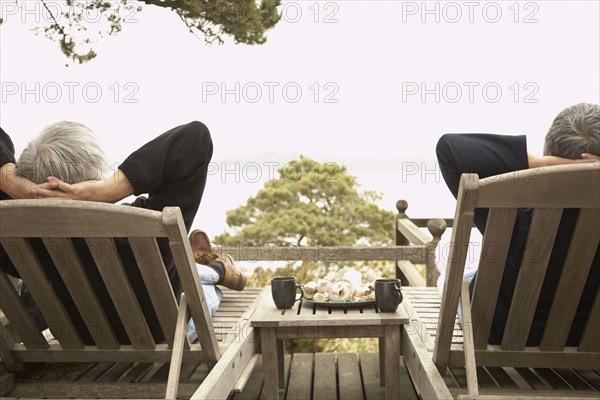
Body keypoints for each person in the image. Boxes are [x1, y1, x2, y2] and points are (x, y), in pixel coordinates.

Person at [0, 121, 247, 344]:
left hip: (85, 341)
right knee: (196, 286)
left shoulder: (18, 241)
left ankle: (205, 265)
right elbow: (195, 138)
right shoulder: (141, 227)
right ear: (92, 178)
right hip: (164, 338)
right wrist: (108, 191)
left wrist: (11, 184)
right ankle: (216, 270)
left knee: (179, 267)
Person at [435, 103, 600, 346]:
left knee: (448, 269)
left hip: (500, 333)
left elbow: (449, 147)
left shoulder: (516, 218)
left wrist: (543, 165)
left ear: (549, 150)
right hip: (586, 338)